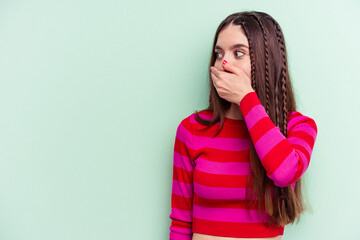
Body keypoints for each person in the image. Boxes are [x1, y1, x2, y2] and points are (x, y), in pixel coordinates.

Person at [168, 11, 318, 240]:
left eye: (238, 53)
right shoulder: (191, 130)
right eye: (219, 54)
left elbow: (283, 172)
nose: (223, 63)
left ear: (266, 61)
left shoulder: (298, 127)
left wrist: (246, 98)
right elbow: (180, 223)